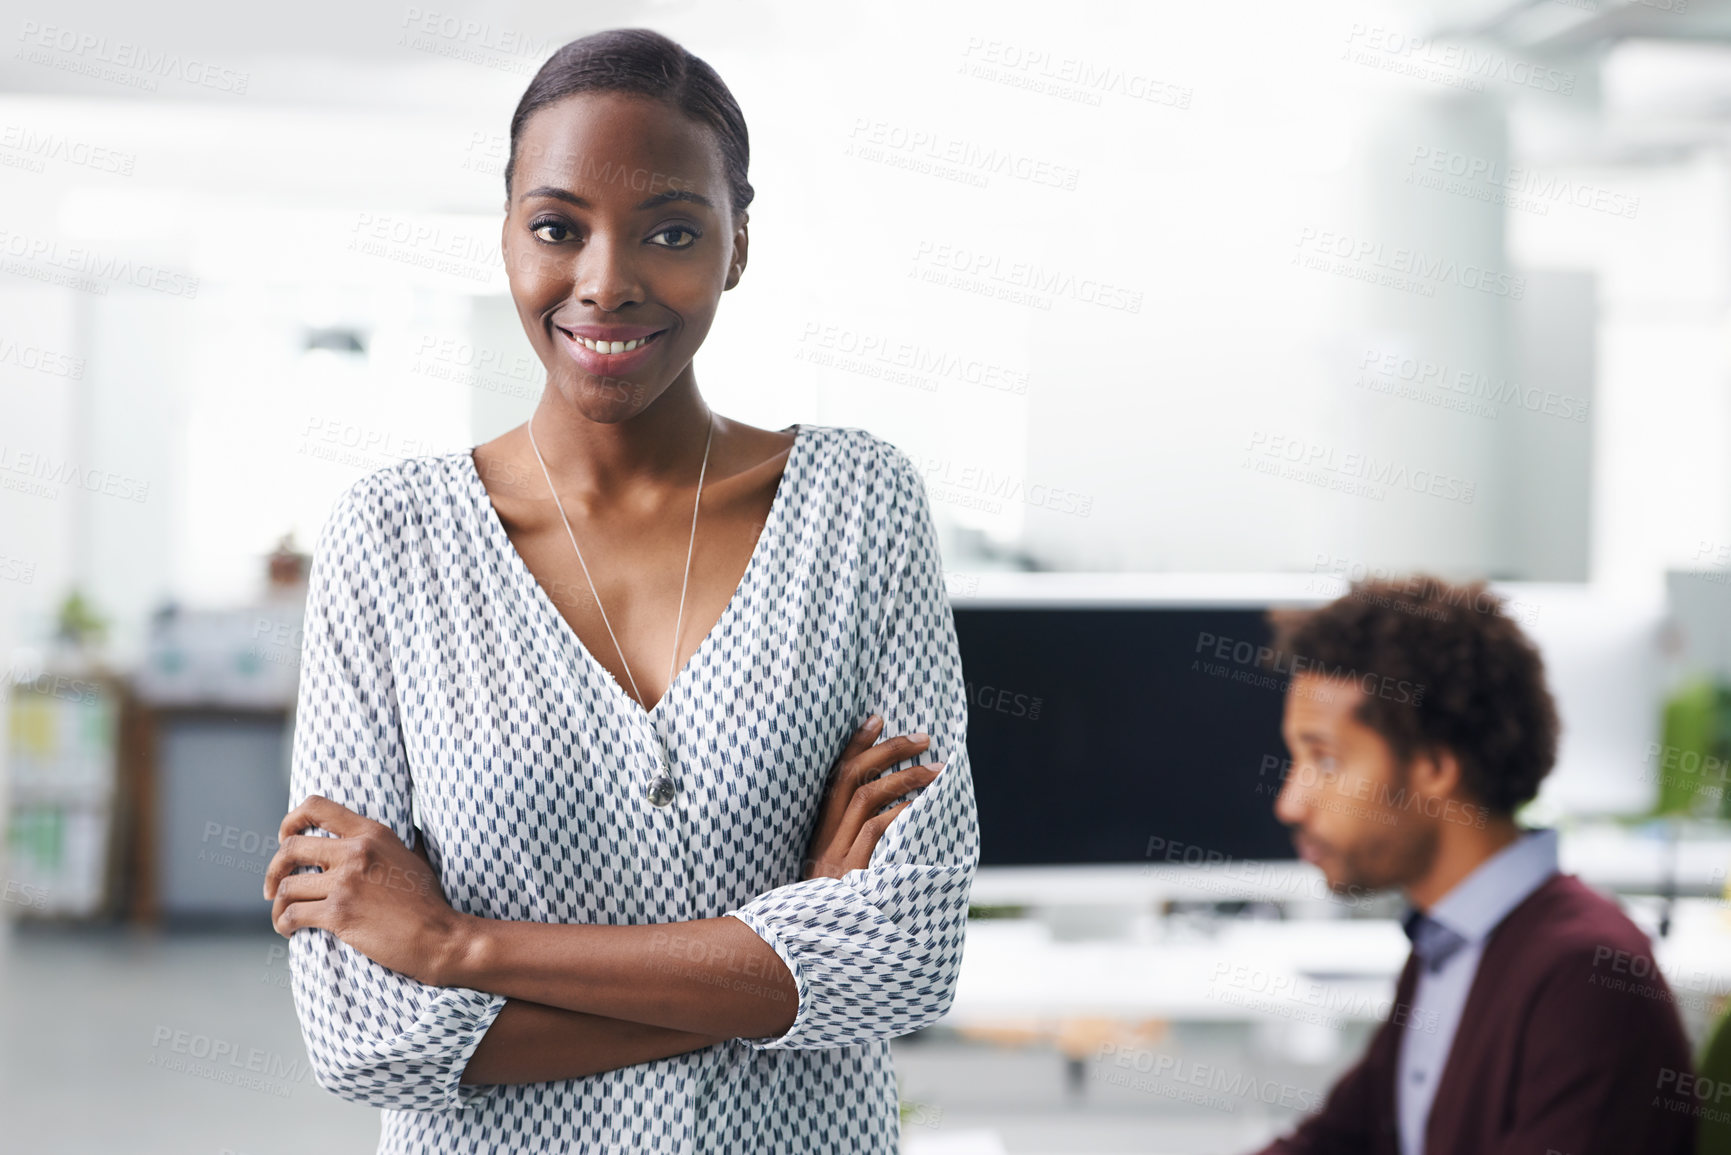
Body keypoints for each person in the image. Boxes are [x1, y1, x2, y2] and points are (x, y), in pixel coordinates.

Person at [261, 27, 979, 1154]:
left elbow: (904, 957)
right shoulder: (392, 541)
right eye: (557, 228)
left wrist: (457, 947)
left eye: (673, 233)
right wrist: (778, 954)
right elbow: (365, 1034)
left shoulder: (857, 510)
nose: (606, 282)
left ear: (737, 246)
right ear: (505, 236)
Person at [1249, 576, 1696, 1155]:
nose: (1290, 802)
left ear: (1434, 766)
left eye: (1326, 760)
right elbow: (1341, 1139)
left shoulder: (1585, 977)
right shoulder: (1448, 942)